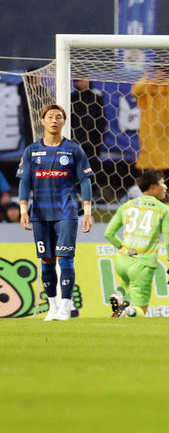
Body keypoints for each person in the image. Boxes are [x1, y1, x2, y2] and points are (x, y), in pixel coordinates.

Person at [16, 103, 94, 321]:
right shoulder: (32, 151)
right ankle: (52, 307)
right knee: (47, 260)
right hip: (40, 214)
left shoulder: (73, 149)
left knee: (65, 258)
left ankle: (65, 307)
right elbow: (24, 182)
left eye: (58, 117)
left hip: (66, 212)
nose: (54, 120)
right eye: (50, 116)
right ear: (42, 121)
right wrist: (23, 209)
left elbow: (85, 180)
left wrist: (87, 211)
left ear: (63, 121)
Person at [104, 170, 169, 318]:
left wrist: (122, 248)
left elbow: (109, 233)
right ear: (152, 187)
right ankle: (127, 310)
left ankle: (118, 295)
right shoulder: (163, 209)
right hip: (142, 264)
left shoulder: (126, 206)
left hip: (123, 260)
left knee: (126, 280)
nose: (165, 187)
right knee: (141, 310)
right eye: (162, 183)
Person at [131, 63, 169, 176]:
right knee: (153, 159)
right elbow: (135, 91)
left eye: (163, 71)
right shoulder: (148, 85)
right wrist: (145, 77)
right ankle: (154, 185)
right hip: (152, 130)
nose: (160, 74)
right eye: (157, 71)